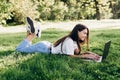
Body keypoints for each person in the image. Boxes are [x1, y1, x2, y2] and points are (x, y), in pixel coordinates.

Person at [16, 17, 100, 61]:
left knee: (26, 47)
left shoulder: (74, 41)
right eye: (84, 33)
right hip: (44, 48)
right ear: (78, 31)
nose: (86, 36)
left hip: (45, 46)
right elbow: (70, 56)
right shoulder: (69, 41)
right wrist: (86, 56)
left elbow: (77, 53)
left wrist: (89, 54)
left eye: (87, 34)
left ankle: (31, 31)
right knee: (19, 50)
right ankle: (34, 33)